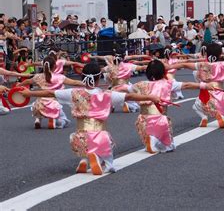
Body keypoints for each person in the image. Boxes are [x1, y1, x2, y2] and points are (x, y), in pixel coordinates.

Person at [21, 62, 163, 175]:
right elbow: (130, 96)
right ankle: (100, 160)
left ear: (82, 77)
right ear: (98, 78)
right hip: (100, 136)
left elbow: (49, 92)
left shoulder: (74, 92)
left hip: (80, 136)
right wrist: (150, 96)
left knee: (82, 140)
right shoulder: (106, 94)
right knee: (110, 165)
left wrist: (29, 93)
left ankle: (85, 158)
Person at [127, 60, 215, 153]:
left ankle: (151, 138)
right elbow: (187, 85)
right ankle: (155, 138)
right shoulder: (168, 83)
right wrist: (204, 85)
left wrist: (114, 90)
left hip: (143, 121)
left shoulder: (140, 84)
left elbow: (126, 90)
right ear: (163, 72)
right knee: (169, 147)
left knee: (152, 135)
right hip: (160, 121)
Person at [170, 43, 224, 128]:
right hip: (219, 93)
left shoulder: (202, 64)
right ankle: (222, 117)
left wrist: (168, 67)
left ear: (206, 54)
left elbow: (185, 65)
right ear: (220, 55)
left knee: (196, 106)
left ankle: (204, 117)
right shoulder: (222, 65)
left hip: (205, 94)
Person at [19, 57, 83, 129]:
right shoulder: (60, 77)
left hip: (39, 104)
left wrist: (19, 85)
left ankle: (38, 120)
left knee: (37, 107)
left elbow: (27, 81)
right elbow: (74, 82)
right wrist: (86, 83)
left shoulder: (38, 76)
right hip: (53, 104)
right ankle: (53, 120)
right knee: (63, 119)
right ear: (55, 66)